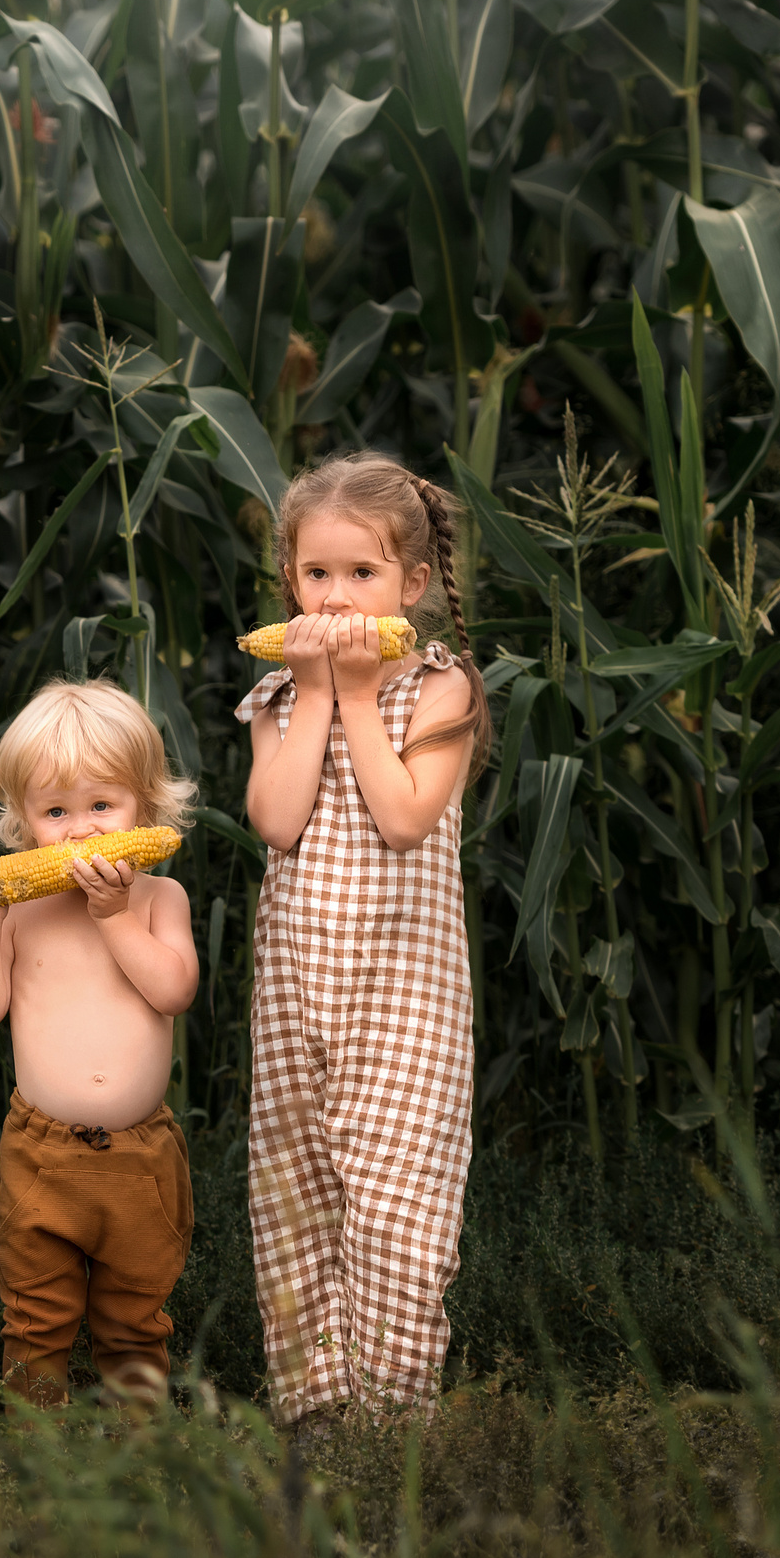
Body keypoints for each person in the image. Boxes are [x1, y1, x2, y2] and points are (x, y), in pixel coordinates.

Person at [235, 454, 491, 1431]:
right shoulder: (273, 701)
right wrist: (307, 694)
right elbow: (276, 819)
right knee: (296, 1202)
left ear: (412, 587)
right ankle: (313, 1412)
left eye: (361, 575)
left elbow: (401, 818)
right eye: (316, 576)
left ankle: (390, 1419)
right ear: (289, 582)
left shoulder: (441, 690)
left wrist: (347, 696)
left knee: (394, 1211)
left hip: (404, 1001)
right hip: (298, 996)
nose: (336, 599)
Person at [0, 680, 201, 1409]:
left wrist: (116, 918)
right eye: (56, 811)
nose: (81, 830)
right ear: (23, 821)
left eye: (102, 805)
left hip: (139, 1159)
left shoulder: (161, 900)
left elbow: (174, 990)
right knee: (35, 1318)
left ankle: (142, 1452)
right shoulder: (21, 913)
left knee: (135, 1318)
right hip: (42, 1154)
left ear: (144, 806)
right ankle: (38, 1449)